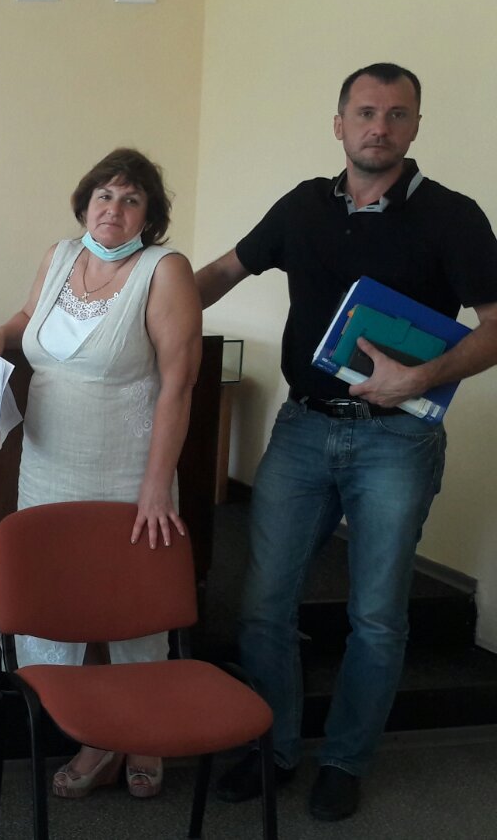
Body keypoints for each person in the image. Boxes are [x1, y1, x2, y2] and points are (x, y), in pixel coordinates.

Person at [197, 63, 497, 822]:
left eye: (397, 114)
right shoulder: (303, 205)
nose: (379, 127)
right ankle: (274, 749)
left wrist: (419, 377)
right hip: (302, 430)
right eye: (365, 112)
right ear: (339, 124)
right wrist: (140, 306)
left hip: (397, 440)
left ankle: (345, 761)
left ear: (416, 126)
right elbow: (224, 271)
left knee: (377, 616)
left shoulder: (454, 216)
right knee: (263, 605)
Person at [0, 148, 202, 800]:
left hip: (129, 474)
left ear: (149, 216)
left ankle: (142, 732)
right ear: (85, 203)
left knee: (130, 607)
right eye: (104, 195)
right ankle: (96, 732)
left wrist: (156, 483)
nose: (113, 209)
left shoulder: (165, 271)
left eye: (131, 199)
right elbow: (30, 317)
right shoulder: (61, 256)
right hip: (48, 470)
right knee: (68, 600)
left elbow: (178, 385)